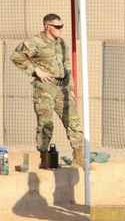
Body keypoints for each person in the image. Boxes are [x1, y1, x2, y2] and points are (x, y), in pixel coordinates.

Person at [9, 14, 85, 167]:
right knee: (46, 123)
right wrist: (35, 70)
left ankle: (78, 156)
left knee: (74, 121)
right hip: (45, 87)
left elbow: (67, 67)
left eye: (61, 26)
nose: (60, 29)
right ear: (47, 26)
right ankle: (44, 158)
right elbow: (16, 56)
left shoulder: (61, 44)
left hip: (62, 87)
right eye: (57, 27)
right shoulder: (35, 42)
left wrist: (70, 88)